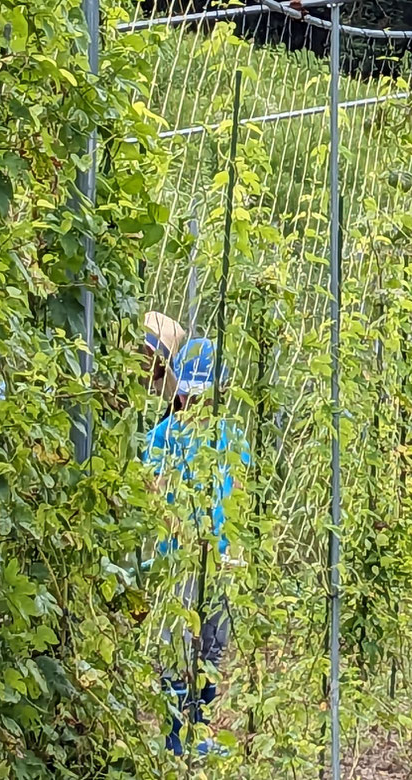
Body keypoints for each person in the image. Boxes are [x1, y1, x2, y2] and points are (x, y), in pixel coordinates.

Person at [139, 315, 246, 758]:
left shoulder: (231, 438)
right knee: (180, 649)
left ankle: (196, 731)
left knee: (212, 651)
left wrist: (233, 551)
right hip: (181, 561)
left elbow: (236, 497)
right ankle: (174, 739)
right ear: (180, 392)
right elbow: (155, 500)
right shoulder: (160, 439)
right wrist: (191, 539)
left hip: (218, 563)